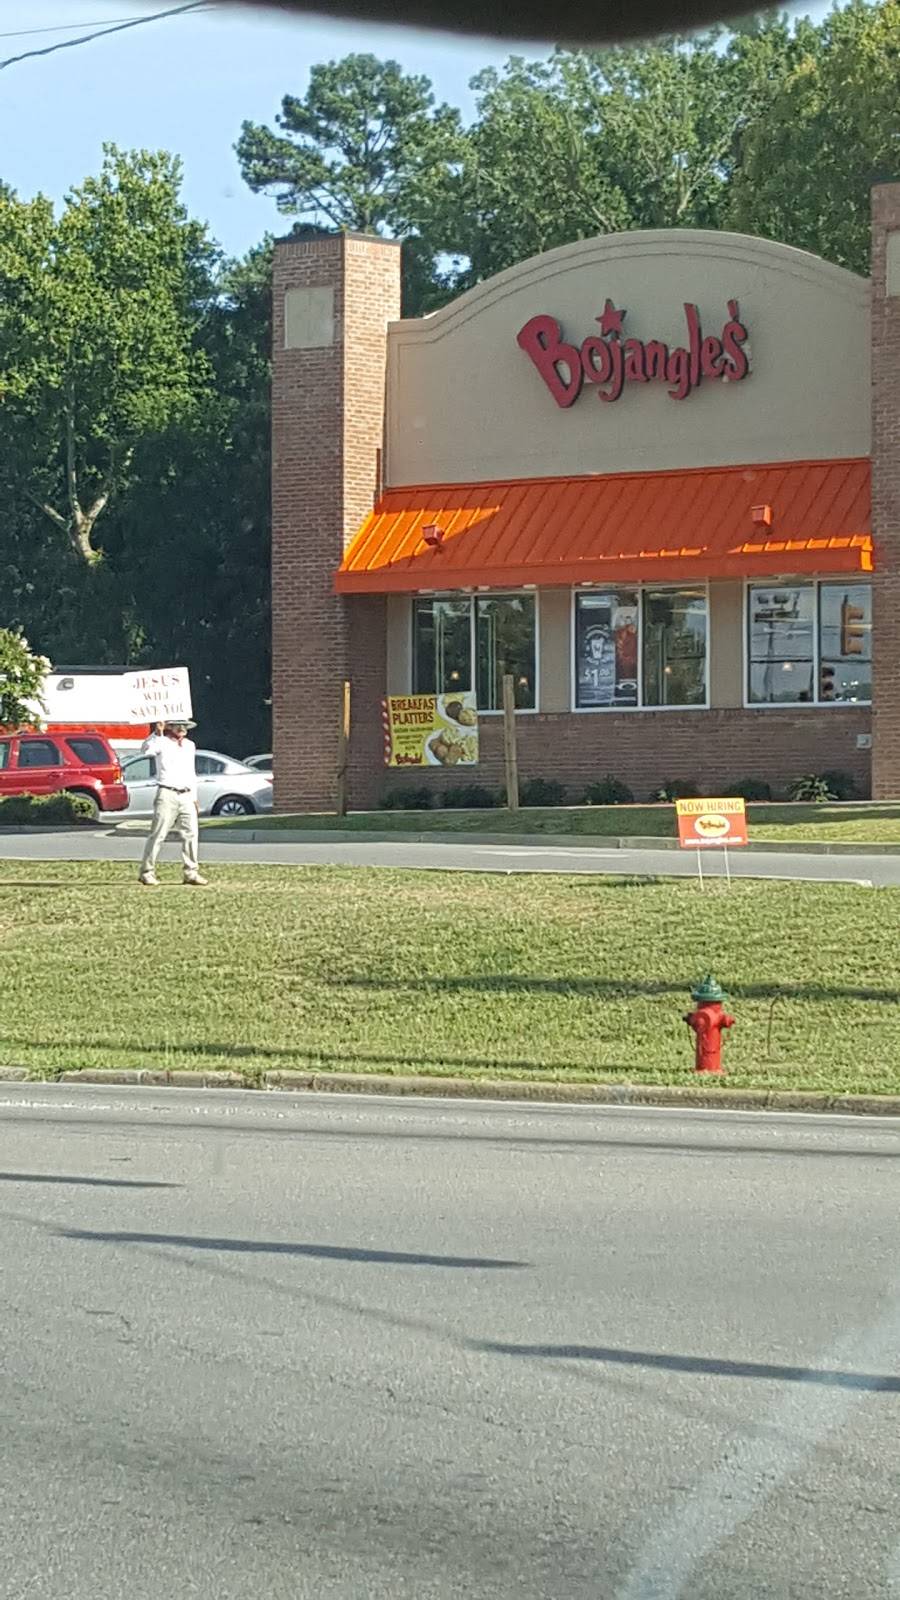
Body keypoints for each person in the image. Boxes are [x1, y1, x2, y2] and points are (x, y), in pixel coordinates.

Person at [137, 718, 208, 887]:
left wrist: (194, 796)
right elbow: (147, 751)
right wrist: (156, 733)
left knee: (191, 834)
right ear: (170, 727)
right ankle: (147, 871)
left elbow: (191, 772)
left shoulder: (189, 745)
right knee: (158, 833)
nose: (182, 729)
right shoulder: (161, 741)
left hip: (186, 794)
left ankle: (191, 872)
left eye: (185, 726)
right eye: (178, 726)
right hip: (167, 792)